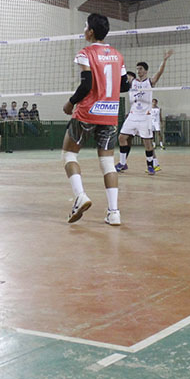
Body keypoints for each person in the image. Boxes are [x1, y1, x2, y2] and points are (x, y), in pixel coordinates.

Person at [62, 13, 130, 226]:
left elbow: (86, 84)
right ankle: (114, 212)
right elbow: (125, 86)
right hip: (110, 114)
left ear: (90, 31)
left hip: (87, 113)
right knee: (108, 163)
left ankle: (80, 196)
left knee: (69, 154)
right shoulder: (118, 56)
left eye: (85, 26)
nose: (83, 30)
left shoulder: (85, 53)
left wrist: (70, 102)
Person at [116, 50, 173, 175]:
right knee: (122, 137)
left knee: (147, 143)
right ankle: (122, 163)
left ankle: (151, 166)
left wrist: (164, 60)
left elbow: (159, 73)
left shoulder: (149, 82)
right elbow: (123, 77)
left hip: (145, 117)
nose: (139, 71)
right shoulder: (133, 82)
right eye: (137, 69)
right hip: (132, 115)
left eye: (141, 69)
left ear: (146, 70)